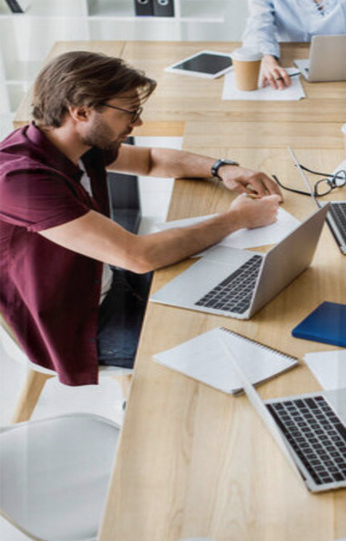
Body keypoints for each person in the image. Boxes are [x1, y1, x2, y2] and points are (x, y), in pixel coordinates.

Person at [0, 50, 283, 387]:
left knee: (247, 293)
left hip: (106, 284)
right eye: (129, 113)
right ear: (81, 111)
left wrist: (222, 168)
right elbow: (138, 256)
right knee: (234, 355)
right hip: (77, 326)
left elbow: (149, 160)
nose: (137, 124)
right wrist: (236, 219)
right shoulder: (21, 181)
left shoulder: (76, 143)